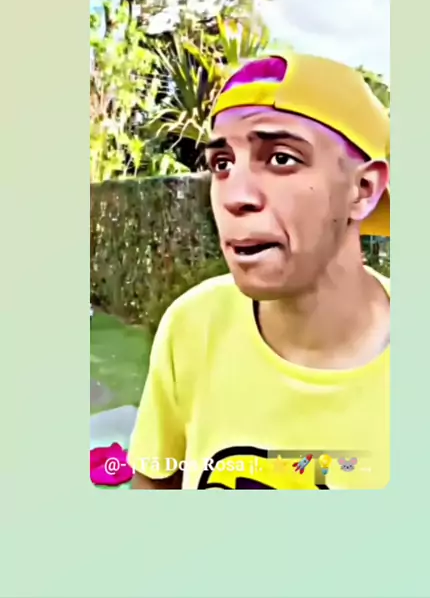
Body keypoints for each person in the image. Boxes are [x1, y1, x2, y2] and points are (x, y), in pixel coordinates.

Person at [128, 52, 390, 490]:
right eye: (222, 164)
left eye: (281, 159)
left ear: (362, 189)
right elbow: (154, 484)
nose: (236, 196)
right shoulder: (192, 324)